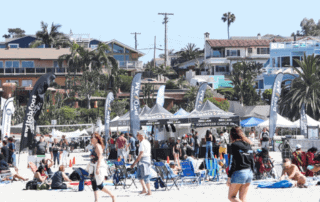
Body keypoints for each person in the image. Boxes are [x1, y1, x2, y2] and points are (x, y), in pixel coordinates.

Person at [227, 127, 254, 202]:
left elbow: (233, 162)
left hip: (239, 172)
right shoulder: (248, 144)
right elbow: (252, 159)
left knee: (231, 197)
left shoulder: (234, 145)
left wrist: (229, 177)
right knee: (243, 199)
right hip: (249, 172)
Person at [87, 133, 115, 202]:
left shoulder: (97, 146)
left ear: (96, 139)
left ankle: (112, 195)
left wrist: (97, 168)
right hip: (93, 166)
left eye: (92, 137)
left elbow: (100, 157)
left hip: (97, 166)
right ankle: (96, 200)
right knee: (94, 184)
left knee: (99, 185)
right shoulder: (94, 146)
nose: (91, 138)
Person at [131, 130, 152, 196]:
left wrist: (134, 163)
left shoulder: (142, 143)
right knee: (140, 176)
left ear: (141, 135)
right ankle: (144, 189)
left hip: (144, 160)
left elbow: (141, 154)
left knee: (145, 176)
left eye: (137, 135)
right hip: (145, 160)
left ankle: (149, 191)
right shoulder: (147, 142)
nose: (136, 136)